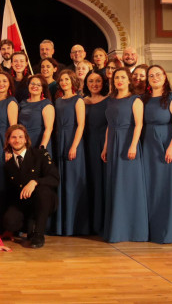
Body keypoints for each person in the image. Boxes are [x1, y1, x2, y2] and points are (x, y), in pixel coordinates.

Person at [101, 67, 148, 243]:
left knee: (128, 186)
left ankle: (131, 231)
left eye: (122, 77)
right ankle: (116, 229)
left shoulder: (135, 100)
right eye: (116, 78)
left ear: (129, 80)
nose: (119, 80)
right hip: (113, 142)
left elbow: (138, 125)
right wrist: (106, 147)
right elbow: (109, 125)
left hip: (128, 142)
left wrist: (133, 145)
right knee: (115, 185)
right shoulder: (111, 100)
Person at [141, 65, 172, 244]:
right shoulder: (144, 99)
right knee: (149, 188)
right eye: (151, 75)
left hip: (165, 146)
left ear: (165, 76)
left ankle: (165, 232)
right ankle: (149, 231)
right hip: (147, 146)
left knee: (165, 188)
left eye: (158, 74)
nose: (155, 77)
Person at [2, 125, 59, 248]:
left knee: (42, 191)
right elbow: (8, 193)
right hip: (23, 204)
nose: (17, 140)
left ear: (26, 139)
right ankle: (29, 224)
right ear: (8, 140)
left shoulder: (40, 154)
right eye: (13, 137)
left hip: (44, 200)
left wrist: (35, 182)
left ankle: (38, 234)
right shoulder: (8, 164)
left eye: (21, 137)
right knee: (9, 222)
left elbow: (54, 179)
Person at [53, 69, 89, 235]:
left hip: (73, 141)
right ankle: (61, 225)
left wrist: (74, 146)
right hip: (59, 140)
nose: (64, 82)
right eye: (61, 80)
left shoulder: (78, 100)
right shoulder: (58, 101)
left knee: (72, 182)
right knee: (61, 182)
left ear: (73, 81)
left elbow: (81, 125)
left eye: (67, 79)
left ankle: (74, 225)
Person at [82, 69, 108, 235]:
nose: (94, 84)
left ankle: (101, 223)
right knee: (88, 182)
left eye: (98, 81)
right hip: (85, 144)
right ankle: (88, 223)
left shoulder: (109, 100)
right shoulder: (81, 101)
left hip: (102, 146)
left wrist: (106, 146)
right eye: (91, 81)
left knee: (101, 182)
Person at [18, 75, 54, 154]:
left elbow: (48, 129)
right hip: (23, 142)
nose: (35, 86)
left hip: (39, 143)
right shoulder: (23, 103)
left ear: (43, 88)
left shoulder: (46, 104)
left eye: (38, 85)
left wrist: (42, 147)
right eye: (32, 83)